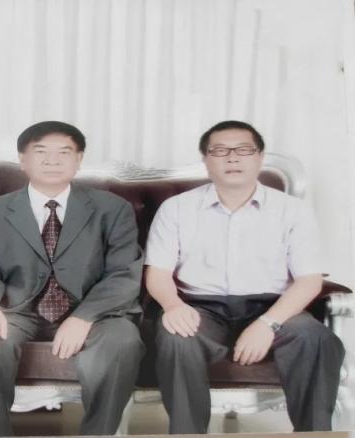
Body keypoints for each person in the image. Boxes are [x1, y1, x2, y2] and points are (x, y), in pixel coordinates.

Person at [145, 120, 345, 433]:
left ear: (259, 157)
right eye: (220, 150)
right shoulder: (176, 209)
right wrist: (173, 306)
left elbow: (309, 280)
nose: (232, 158)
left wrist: (267, 324)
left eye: (243, 150)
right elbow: (157, 272)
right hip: (200, 307)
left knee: (316, 338)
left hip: (274, 306)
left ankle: (313, 434)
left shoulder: (293, 210)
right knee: (176, 338)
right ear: (206, 160)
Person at [0, 121, 145, 436]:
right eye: (41, 152)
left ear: (79, 160)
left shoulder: (113, 209)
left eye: (64, 152)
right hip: (17, 312)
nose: (52, 161)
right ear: (22, 160)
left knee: (122, 340)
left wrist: (83, 317)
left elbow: (123, 274)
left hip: (96, 313)